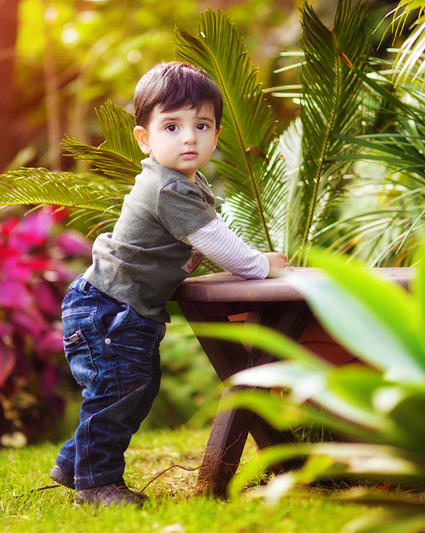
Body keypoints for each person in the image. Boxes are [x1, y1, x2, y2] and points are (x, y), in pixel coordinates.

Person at [49, 61, 290, 507]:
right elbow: (215, 240)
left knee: (132, 391)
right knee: (118, 392)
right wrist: (262, 265)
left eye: (202, 125)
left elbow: (203, 236)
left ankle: (74, 464)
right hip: (109, 309)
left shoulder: (184, 183)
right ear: (145, 138)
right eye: (172, 126)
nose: (189, 138)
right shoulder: (168, 188)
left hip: (119, 307)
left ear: (216, 135)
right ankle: (96, 484)